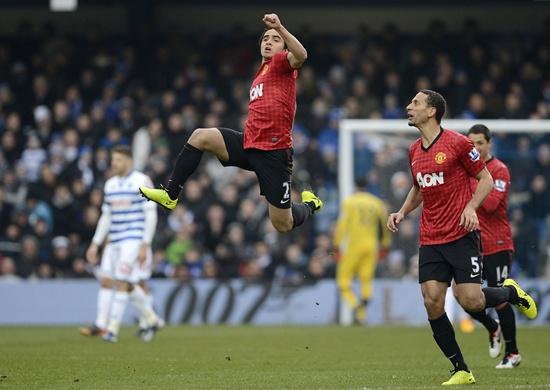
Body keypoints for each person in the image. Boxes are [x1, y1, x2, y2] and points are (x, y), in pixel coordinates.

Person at [387, 90, 537, 385]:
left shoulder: (458, 143)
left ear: (431, 111)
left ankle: (510, 293)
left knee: (472, 301)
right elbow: (419, 188)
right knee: (432, 301)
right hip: (430, 237)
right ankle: (460, 369)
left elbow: (486, 179)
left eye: (415, 103)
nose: (409, 107)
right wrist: (402, 212)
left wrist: (470, 207)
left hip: (461, 235)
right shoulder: (413, 150)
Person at [139, 13, 322, 233]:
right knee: (200, 136)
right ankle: (170, 195)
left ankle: (310, 204)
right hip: (249, 144)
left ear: (283, 47)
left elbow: (301, 55)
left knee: (283, 224)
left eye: (275, 40)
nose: (268, 42)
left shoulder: (281, 63)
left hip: (274, 153)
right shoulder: (260, 74)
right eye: (265, 39)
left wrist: (280, 27)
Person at [80, 145, 163, 343]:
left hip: (133, 239)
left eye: (117, 160)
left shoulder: (142, 181)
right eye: (113, 159)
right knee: (110, 280)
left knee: (124, 280)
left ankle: (111, 330)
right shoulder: (110, 185)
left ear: (128, 161)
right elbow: (106, 217)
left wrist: (145, 244)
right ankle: (151, 319)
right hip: (114, 240)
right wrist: (95, 243)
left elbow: (151, 214)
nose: (113, 163)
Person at [464, 124, 520, 368]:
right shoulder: (466, 169)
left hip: (497, 243)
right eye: (471, 144)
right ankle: (491, 326)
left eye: (479, 143)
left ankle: (513, 353)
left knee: (499, 298)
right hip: (472, 244)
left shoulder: (499, 170)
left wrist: (474, 179)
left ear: (489, 144)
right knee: (465, 296)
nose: (475, 148)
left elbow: (489, 205)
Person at [333, 179, 390, 324]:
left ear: (355, 187)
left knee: (343, 280)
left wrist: (337, 245)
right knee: (366, 279)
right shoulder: (376, 203)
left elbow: (342, 225)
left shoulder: (350, 202)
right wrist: (385, 244)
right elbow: (384, 224)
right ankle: (361, 315)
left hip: (355, 245)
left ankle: (356, 304)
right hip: (372, 245)